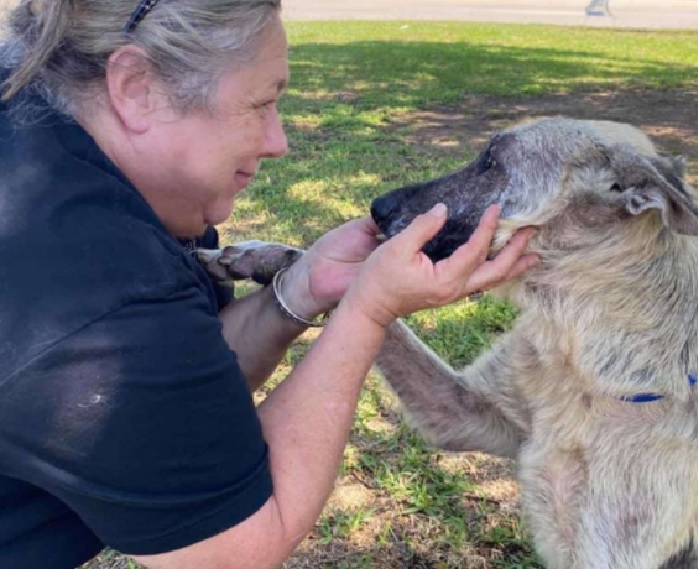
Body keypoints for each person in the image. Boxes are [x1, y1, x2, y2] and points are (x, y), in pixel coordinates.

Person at [0, 1, 538, 568]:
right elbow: (235, 548)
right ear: (137, 87)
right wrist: (366, 311)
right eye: (261, 103)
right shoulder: (99, 295)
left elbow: (175, 395)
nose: (278, 141)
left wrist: (302, 290)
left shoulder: (43, 120)